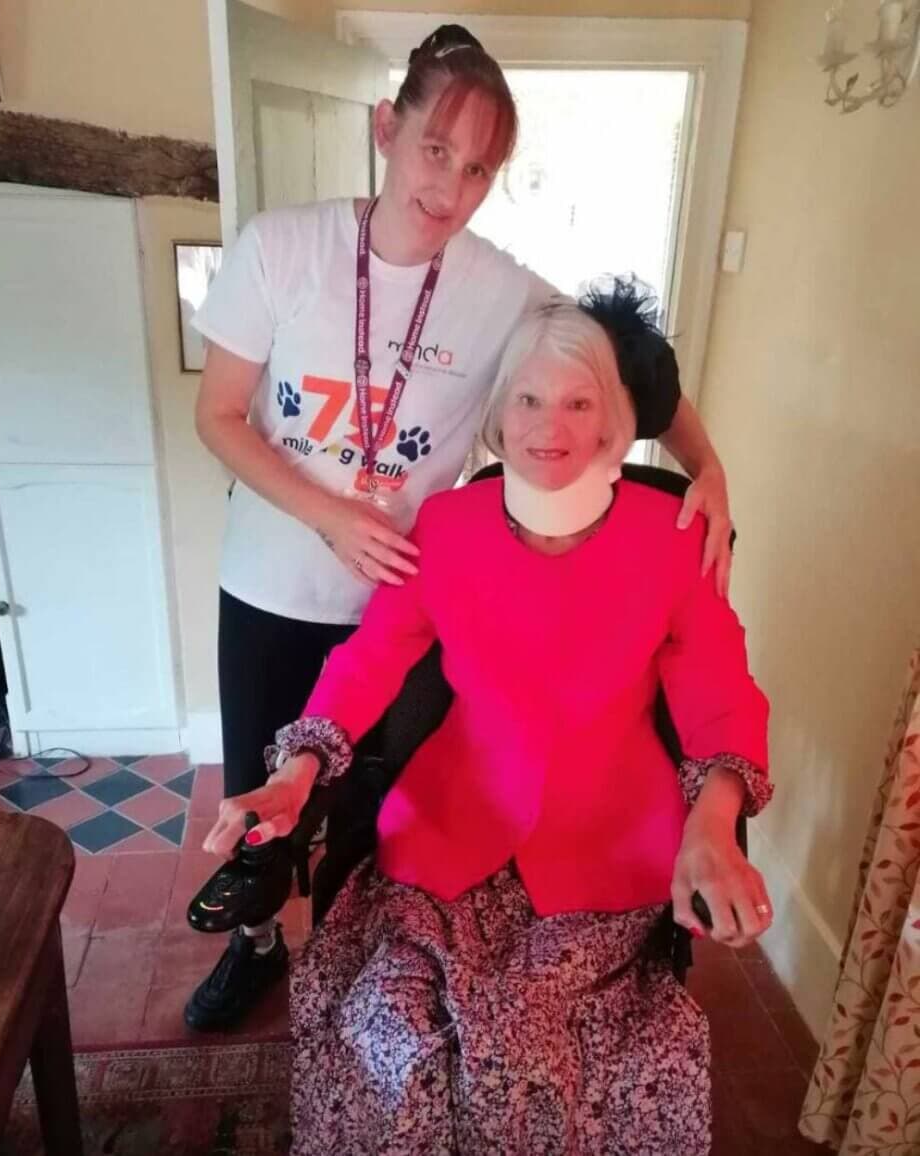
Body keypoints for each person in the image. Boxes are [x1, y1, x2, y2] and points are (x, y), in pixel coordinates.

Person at [186, 23, 735, 1032]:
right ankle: (254, 946)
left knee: (367, 807)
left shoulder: (498, 284)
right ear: (386, 129)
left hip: (410, 597)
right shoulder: (283, 247)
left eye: (478, 167)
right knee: (262, 794)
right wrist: (331, 516)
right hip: (272, 585)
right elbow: (215, 416)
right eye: (436, 149)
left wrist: (709, 470)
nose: (450, 185)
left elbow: (630, 370)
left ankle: (355, 955)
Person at [203, 288, 773, 1154]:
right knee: (378, 1023)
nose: (552, 426)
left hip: (609, 850)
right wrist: (298, 772)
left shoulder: (674, 536)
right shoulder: (446, 526)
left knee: (540, 1047)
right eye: (529, 399)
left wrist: (714, 820)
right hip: (450, 832)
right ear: (498, 414)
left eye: (580, 402)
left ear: (615, 419)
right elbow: (370, 658)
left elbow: (721, 692)